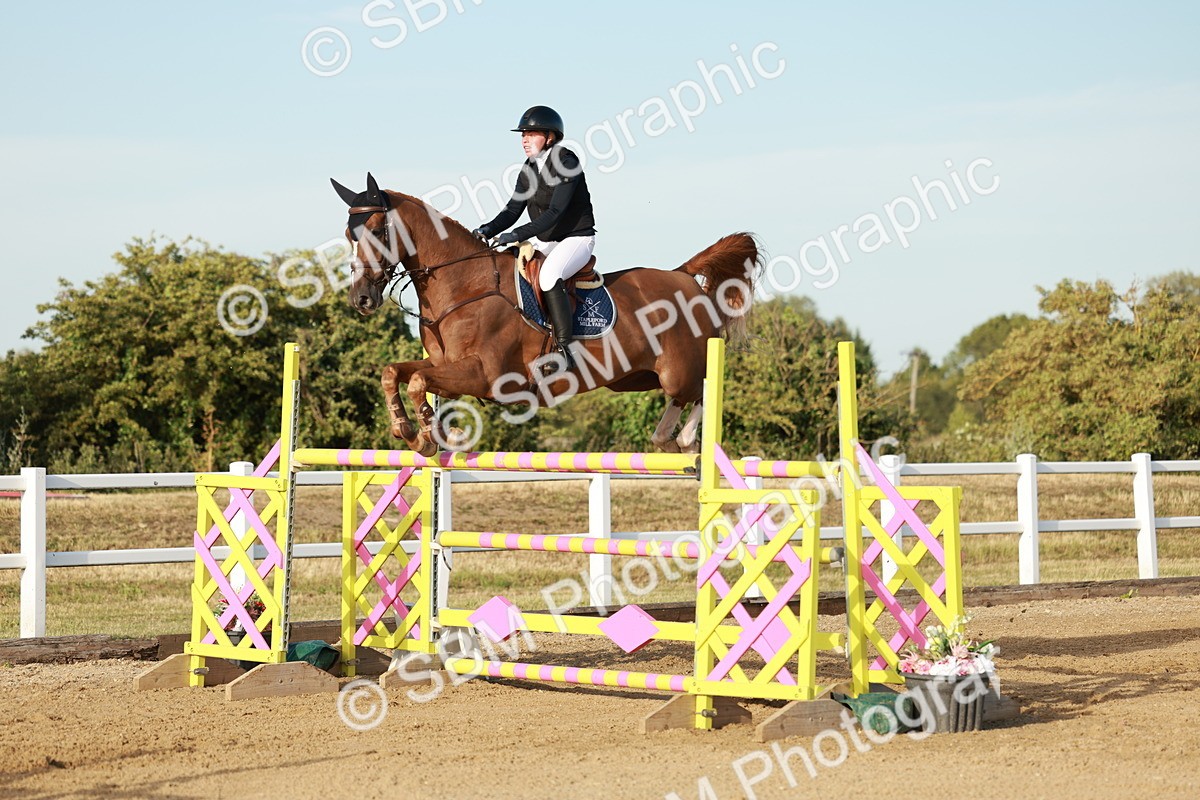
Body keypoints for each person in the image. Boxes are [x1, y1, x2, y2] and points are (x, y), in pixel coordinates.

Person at [473, 105, 596, 370]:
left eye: (531, 134)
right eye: (522, 135)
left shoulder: (567, 162)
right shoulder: (529, 168)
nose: (524, 140)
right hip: (546, 239)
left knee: (550, 275)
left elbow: (554, 213)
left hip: (575, 239)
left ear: (550, 137)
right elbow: (512, 210)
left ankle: (565, 350)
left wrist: (516, 235)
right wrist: (487, 229)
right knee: (507, 269)